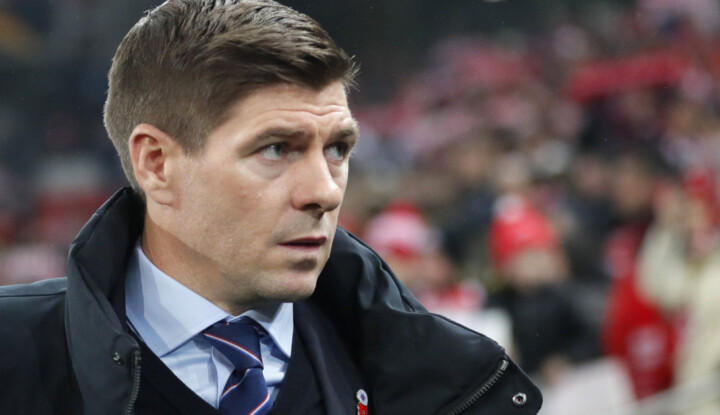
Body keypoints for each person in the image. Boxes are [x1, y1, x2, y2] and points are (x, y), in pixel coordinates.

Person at [0, 1, 541, 414]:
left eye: (338, 149)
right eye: (277, 149)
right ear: (157, 164)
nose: (326, 191)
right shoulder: (14, 358)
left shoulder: (437, 376)